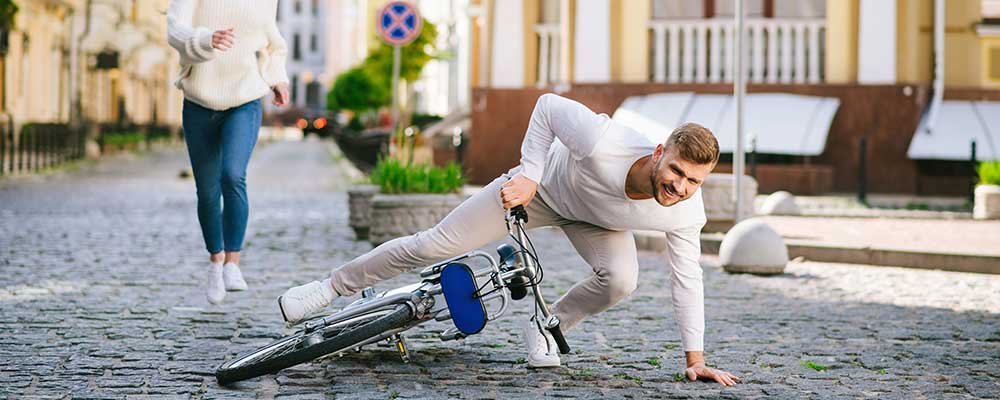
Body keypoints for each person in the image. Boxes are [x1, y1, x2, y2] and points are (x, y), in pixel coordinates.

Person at [279, 93, 740, 386]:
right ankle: (330, 288)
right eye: (676, 171)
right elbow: (545, 107)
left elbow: (688, 280)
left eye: (693, 181)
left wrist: (695, 359)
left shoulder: (685, 210)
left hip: (596, 221)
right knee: (433, 244)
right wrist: (532, 176)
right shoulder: (603, 142)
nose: (679, 186)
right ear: (660, 153)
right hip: (537, 192)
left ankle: (546, 325)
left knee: (622, 279)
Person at [167, 0, 290, 304]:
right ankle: (216, 262)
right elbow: (174, 30)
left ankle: (233, 262)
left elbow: (274, 44)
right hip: (199, 103)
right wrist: (206, 39)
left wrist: (277, 78)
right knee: (207, 192)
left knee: (233, 175)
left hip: (245, 99)